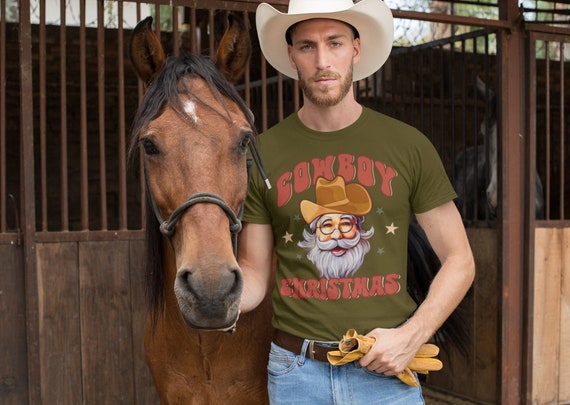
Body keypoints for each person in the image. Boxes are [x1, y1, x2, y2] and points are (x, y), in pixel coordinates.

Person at [237, 0, 476, 403]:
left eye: (335, 43)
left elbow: (461, 260)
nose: (322, 60)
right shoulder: (261, 154)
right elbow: (255, 277)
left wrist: (412, 335)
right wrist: (204, 291)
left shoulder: (408, 146)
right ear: (292, 55)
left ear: (356, 49)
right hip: (296, 374)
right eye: (308, 46)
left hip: (386, 374)